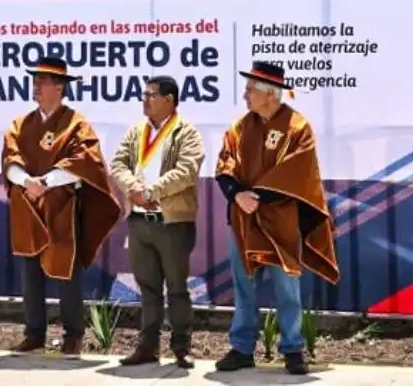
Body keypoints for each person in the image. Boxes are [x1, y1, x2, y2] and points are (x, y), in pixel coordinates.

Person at [213, 62, 339, 376]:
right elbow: (225, 163)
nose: (245, 94)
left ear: (269, 94)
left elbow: (297, 171)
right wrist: (237, 195)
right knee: (244, 288)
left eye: (250, 89)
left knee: (287, 287)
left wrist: (257, 197)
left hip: (281, 220)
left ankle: (293, 349)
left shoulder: (298, 127)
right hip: (243, 219)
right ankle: (242, 349)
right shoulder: (241, 126)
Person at [1, 58, 122, 356]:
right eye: (35, 81)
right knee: (29, 271)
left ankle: (73, 334)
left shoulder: (76, 124)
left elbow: (85, 163)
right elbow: (10, 159)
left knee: (66, 271)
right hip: (28, 207)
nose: (36, 87)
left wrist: (46, 181)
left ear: (59, 87)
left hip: (61, 208)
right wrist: (27, 181)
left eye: (43, 82)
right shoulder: (21, 123)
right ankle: (34, 333)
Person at [109, 74, 205, 369]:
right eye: (144, 94)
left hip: (172, 222)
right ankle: (148, 347)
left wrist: (151, 190)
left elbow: (187, 170)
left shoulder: (186, 132)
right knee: (148, 288)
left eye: (151, 94)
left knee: (176, 288)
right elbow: (117, 164)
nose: (145, 100)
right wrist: (133, 190)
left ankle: (181, 348)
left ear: (169, 100)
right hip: (140, 222)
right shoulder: (136, 131)